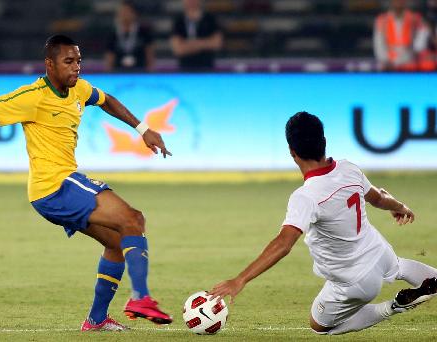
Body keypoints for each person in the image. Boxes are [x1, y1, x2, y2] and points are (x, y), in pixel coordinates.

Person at [0, 34, 173, 331]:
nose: (76, 68)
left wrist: (143, 128)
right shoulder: (32, 97)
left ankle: (96, 319)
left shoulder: (78, 90)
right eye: (68, 62)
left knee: (116, 242)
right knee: (133, 219)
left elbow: (107, 100)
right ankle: (141, 298)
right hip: (55, 186)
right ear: (50, 64)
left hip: (59, 188)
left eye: (79, 61)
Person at [209, 112, 437, 335]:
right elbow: (378, 198)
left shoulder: (306, 196)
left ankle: (394, 306)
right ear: (324, 141)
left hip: (353, 281)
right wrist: (400, 207)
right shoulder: (349, 168)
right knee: (398, 266)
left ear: (292, 152)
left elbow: (284, 243)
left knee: (320, 326)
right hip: (379, 251)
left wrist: (240, 279)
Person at [373, 0, 433, 71]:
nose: (399, 3)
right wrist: (384, 59)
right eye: (396, 1)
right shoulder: (382, 19)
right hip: (390, 61)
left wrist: (417, 49)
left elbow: (424, 31)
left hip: (409, 59)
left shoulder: (414, 18)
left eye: (401, 1)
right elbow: (378, 42)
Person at [170, 0, 222, 71]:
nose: (191, 1)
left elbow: (216, 44)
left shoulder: (210, 19)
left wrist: (190, 44)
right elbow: (178, 49)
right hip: (185, 69)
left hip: (207, 68)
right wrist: (205, 43)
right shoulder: (178, 21)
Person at [105, 1, 154, 72]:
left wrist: (150, 72)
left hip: (141, 71)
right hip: (118, 73)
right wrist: (108, 73)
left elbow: (149, 54)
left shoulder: (144, 32)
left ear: (134, 14)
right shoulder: (113, 33)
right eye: (122, 12)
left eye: (127, 12)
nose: (124, 15)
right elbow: (109, 56)